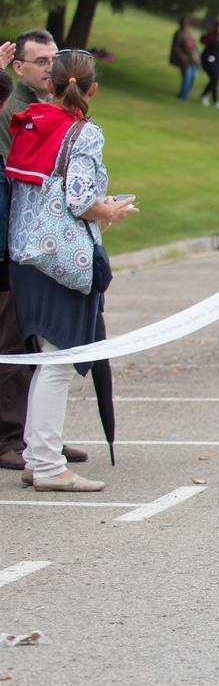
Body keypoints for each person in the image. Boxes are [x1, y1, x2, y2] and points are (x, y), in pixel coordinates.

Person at [6, 50, 138, 491]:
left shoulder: (30, 120)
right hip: (62, 262)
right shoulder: (84, 132)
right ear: (92, 90)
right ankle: (46, 465)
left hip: (26, 254)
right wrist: (112, 211)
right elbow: (81, 200)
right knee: (58, 363)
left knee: (46, 358)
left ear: (51, 84)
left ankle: (35, 455)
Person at [0, 30, 90, 475]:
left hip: (32, 241)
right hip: (20, 241)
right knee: (14, 340)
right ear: (18, 68)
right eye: (38, 61)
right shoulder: (15, 111)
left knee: (38, 340)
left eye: (52, 60)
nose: (47, 67)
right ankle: (11, 438)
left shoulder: (43, 111)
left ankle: (39, 439)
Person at [199, 20, 219, 109]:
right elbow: (203, 41)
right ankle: (215, 100)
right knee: (214, 79)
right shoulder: (211, 36)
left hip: (218, 63)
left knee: (215, 80)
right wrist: (203, 34)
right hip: (209, 61)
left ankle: (204, 96)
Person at [169, 16, 199, 101]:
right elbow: (176, 48)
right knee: (187, 77)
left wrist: (196, 55)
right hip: (185, 60)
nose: (185, 25)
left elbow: (193, 45)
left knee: (193, 77)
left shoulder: (188, 33)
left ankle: (184, 94)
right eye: (184, 23)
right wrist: (182, 57)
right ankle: (183, 95)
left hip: (192, 59)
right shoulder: (178, 34)